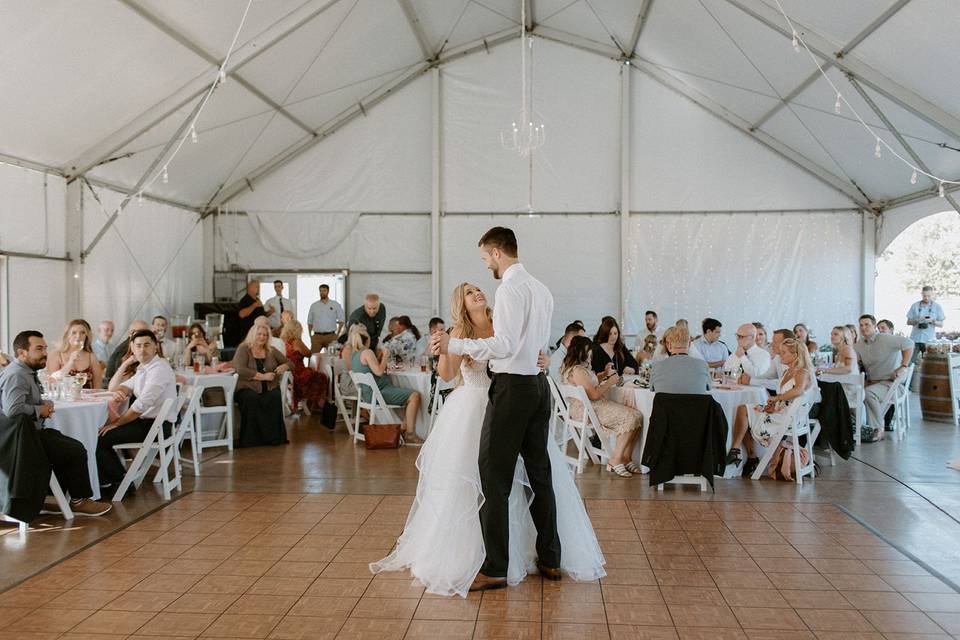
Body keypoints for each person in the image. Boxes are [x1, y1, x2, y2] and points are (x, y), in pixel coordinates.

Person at [371, 280, 604, 596]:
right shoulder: (458, 333)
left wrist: (544, 362)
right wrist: (442, 349)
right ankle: (484, 555)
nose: (477, 293)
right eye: (469, 292)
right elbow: (446, 375)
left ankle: (539, 552)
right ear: (461, 303)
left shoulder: (503, 322)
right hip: (473, 409)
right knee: (479, 483)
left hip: (514, 405)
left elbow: (530, 354)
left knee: (531, 477)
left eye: (478, 288)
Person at [429, 227, 572, 592]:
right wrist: (542, 359)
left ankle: (495, 567)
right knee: (540, 474)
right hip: (539, 388)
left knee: (493, 477)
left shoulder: (509, 288)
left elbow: (505, 345)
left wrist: (452, 342)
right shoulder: (541, 289)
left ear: (495, 253)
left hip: (512, 390)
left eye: (484, 258)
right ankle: (551, 558)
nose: (485, 267)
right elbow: (539, 344)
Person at [1, 331, 112, 516]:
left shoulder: (26, 371)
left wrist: (45, 405)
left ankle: (50, 497)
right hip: (20, 441)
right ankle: (80, 501)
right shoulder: (17, 375)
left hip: (27, 433)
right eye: (38, 349)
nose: (44, 353)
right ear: (22, 353)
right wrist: (39, 410)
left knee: (65, 443)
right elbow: (12, 409)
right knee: (74, 450)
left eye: (45, 348)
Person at [98, 330, 177, 493]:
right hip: (148, 424)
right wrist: (121, 391)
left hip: (157, 428)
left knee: (99, 438)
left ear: (155, 347)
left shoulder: (159, 368)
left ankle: (120, 483)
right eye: (138, 346)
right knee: (98, 435)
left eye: (147, 345)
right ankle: (110, 481)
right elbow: (127, 385)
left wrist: (116, 423)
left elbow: (141, 405)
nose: (142, 350)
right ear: (132, 349)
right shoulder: (145, 367)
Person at [728, 338, 813, 474]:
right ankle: (736, 449)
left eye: (784, 352)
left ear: (795, 355)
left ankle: (743, 454)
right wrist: (773, 406)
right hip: (780, 412)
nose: (780, 355)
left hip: (788, 418)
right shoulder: (787, 372)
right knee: (743, 408)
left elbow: (798, 391)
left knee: (746, 414)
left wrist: (777, 398)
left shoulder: (802, 372)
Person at [562, 336, 644, 477]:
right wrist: (610, 381)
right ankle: (615, 459)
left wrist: (604, 374)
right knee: (630, 418)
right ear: (581, 351)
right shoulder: (577, 370)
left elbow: (588, 384)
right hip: (591, 409)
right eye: (588, 351)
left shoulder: (575, 369)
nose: (591, 354)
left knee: (638, 415)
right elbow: (593, 394)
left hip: (590, 407)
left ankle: (626, 457)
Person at [349, 324, 424, 445]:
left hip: (368, 395)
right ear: (367, 340)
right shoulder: (367, 352)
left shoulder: (354, 355)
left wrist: (379, 357)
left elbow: (372, 369)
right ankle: (410, 433)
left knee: (406, 393)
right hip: (378, 393)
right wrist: (385, 356)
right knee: (414, 395)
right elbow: (378, 372)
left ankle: (403, 429)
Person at [854, 314, 913, 442]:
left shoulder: (886, 338)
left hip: (891, 385)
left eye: (867, 324)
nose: (863, 328)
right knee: (854, 392)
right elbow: (856, 364)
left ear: (874, 326)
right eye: (861, 325)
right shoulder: (858, 345)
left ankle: (878, 429)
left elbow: (909, 343)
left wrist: (903, 365)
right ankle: (856, 429)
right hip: (873, 383)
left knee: (868, 393)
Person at [232, 323, 291, 447]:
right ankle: (251, 440)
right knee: (250, 398)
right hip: (247, 387)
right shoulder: (244, 348)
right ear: (253, 335)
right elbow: (240, 369)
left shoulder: (271, 350)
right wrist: (263, 376)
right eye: (259, 334)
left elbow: (290, 363)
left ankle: (273, 438)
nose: (262, 337)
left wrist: (284, 366)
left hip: (268, 387)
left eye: (265, 335)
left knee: (274, 395)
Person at [280, 320, 328, 415]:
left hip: (288, 374)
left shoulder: (282, 342)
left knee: (314, 375)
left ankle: (313, 403)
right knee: (322, 376)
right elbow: (309, 354)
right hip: (298, 372)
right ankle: (318, 403)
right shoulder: (296, 342)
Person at [650, 326, 711, 394]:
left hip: (667, 404)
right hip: (695, 404)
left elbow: (652, 388)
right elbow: (709, 387)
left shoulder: (657, 367)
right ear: (690, 344)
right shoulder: (702, 365)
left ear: (669, 345)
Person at [46, 319, 103, 389]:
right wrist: (70, 362)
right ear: (67, 335)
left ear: (87, 336)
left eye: (83, 332)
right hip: (63, 398)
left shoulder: (91, 356)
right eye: (74, 332)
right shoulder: (56, 355)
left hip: (86, 398)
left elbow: (97, 386)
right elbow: (52, 383)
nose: (78, 336)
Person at [817, 326, 860, 411]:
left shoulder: (847, 349)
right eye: (831, 334)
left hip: (850, 392)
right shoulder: (839, 352)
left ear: (844, 337)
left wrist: (826, 370)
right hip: (841, 388)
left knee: (817, 395)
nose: (832, 336)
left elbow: (849, 369)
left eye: (836, 334)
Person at [105, 320, 150, 385]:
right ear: (130, 333)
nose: (144, 337)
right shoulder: (124, 350)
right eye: (140, 333)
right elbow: (118, 382)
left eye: (146, 333)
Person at [906, 286, 945, 359]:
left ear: (932, 295)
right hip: (915, 338)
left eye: (929, 296)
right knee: (909, 361)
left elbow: (941, 324)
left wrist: (932, 321)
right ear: (921, 294)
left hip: (929, 340)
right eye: (924, 296)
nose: (926, 298)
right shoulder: (915, 305)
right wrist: (917, 320)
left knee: (929, 362)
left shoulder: (937, 306)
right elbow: (908, 322)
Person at [307, 284, 345, 353]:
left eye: (324, 290)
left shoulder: (335, 304)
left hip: (331, 336)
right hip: (317, 336)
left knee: (333, 357)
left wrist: (337, 335)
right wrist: (310, 336)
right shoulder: (314, 306)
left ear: (328, 291)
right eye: (320, 291)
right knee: (313, 357)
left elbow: (341, 321)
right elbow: (309, 322)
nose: (322, 292)